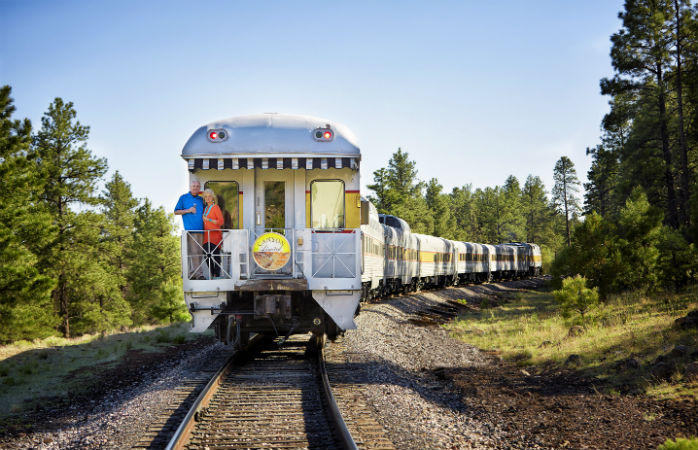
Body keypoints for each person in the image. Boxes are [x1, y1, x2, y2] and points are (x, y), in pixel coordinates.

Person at [174, 180, 205, 279]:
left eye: (197, 186)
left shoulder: (201, 200)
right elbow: (176, 212)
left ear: (199, 188)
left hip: (202, 230)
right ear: (190, 187)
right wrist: (188, 210)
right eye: (193, 186)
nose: (195, 188)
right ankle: (199, 274)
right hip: (190, 231)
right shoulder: (183, 198)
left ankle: (193, 273)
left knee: (199, 253)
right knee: (194, 253)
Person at [202, 188, 224, 278]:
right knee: (207, 255)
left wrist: (209, 219)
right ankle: (213, 272)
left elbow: (221, 222)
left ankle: (217, 275)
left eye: (209, 196)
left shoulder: (215, 207)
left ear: (213, 197)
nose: (207, 198)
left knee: (216, 256)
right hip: (206, 237)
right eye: (206, 196)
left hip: (215, 236)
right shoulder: (205, 209)